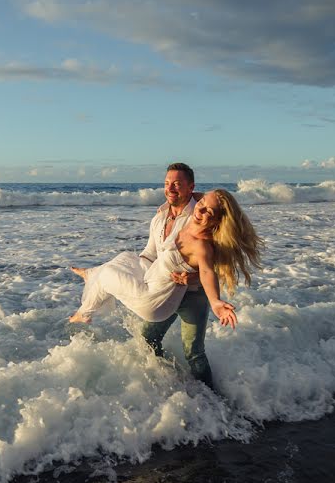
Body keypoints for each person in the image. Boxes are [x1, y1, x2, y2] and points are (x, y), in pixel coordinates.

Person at [69, 163, 262, 389]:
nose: (170, 189)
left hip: (193, 295)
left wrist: (208, 293)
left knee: (194, 352)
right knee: (147, 337)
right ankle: (167, 382)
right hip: (162, 288)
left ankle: (213, 401)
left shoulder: (200, 222)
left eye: (177, 184)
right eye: (167, 183)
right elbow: (152, 253)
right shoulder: (161, 216)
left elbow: (211, 269)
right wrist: (138, 274)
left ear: (191, 188)